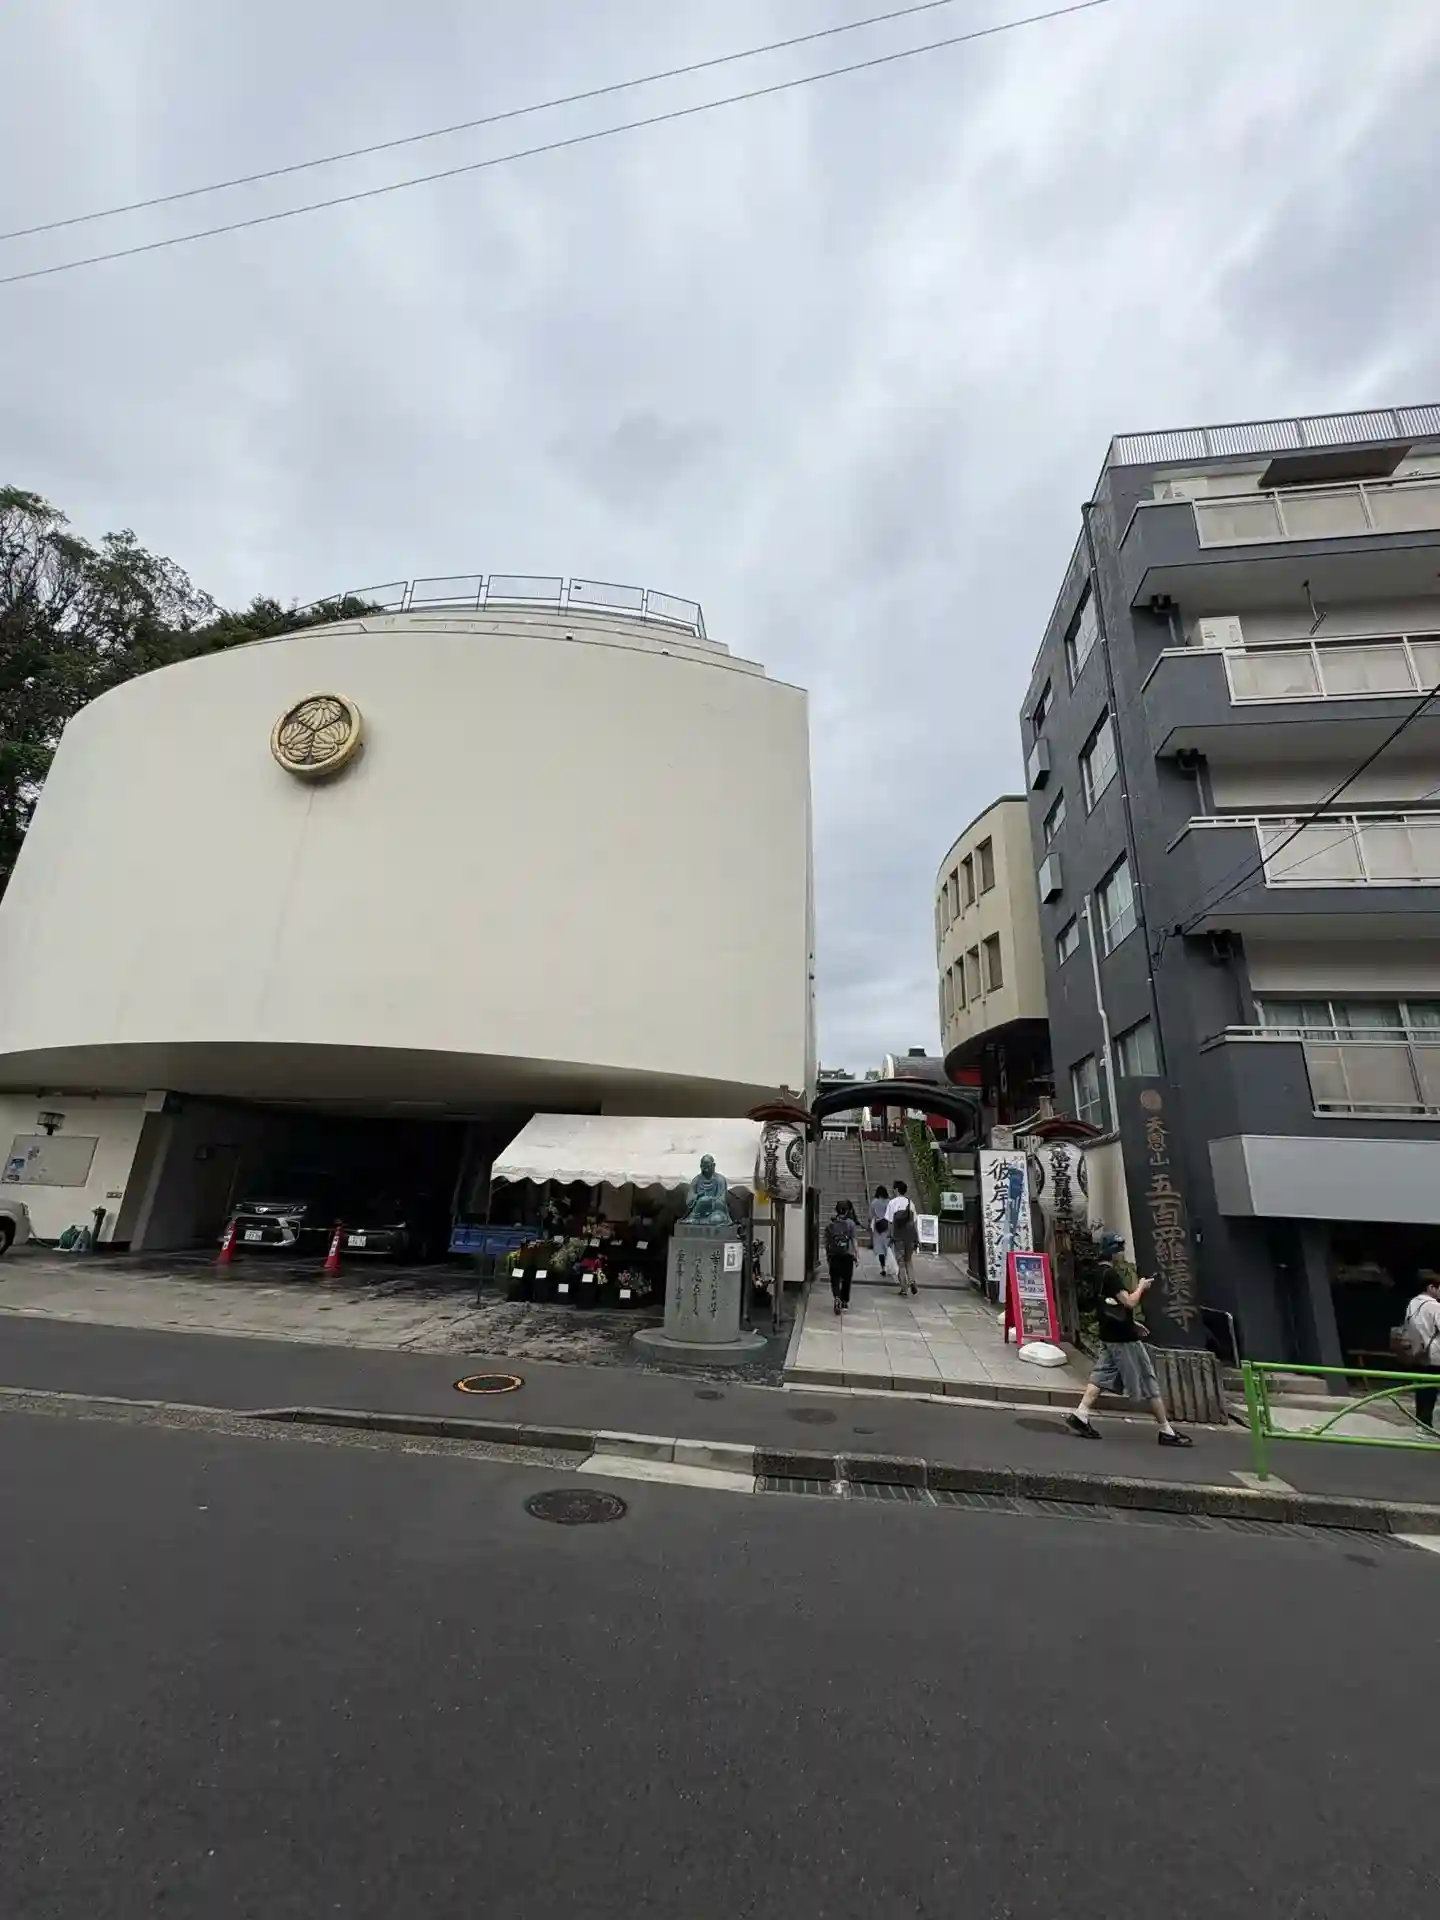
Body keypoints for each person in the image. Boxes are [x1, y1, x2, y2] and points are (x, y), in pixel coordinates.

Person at [1065, 1231, 1193, 1447]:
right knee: (1147, 1379)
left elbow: (1109, 1305)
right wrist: (1141, 1286)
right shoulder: (1111, 1275)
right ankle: (1166, 1430)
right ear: (1114, 1252)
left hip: (1109, 1333)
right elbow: (1129, 1302)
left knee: (1101, 1375)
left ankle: (1081, 1415)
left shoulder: (1097, 1272)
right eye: (1120, 1251)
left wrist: (1131, 1323)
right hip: (1123, 1338)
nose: (1122, 1255)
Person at [1398, 1270, 1440, 1430]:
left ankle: (1421, 1424)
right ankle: (1426, 1425)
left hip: (1417, 1351)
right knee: (1430, 1391)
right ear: (1431, 1287)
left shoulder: (1413, 1303)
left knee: (1422, 1390)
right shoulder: (1434, 1306)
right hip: (1434, 1354)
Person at [823, 1199, 859, 1314]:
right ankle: (844, 1301)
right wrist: (857, 1255)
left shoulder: (831, 1225)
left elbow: (826, 1242)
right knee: (846, 1279)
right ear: (847, 1211)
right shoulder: (851, 1224)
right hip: (847, 1255)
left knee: (835, 1279)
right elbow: (854, 1240)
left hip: (834, 1255)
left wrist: (828, 1255)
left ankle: (837, 1297)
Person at [887, 1180, 920, 1297]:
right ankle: (912, 1281)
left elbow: (890, 1222)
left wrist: (890, 1236)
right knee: (908, 1260)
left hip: (898, 1236)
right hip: (910, 1236)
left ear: (896, 1190)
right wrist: (917, 1238)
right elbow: (914, 1222)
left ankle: (904, 1289)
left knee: (901, 1263)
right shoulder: (911, 1203)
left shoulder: (892, 1203)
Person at [869, 1186, 892, 1279]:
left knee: (880, 1249)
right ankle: (889, 1265)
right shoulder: (889, 1202)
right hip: (887, 1226)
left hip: (878, 1227)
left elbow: (870, 1215)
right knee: (888, 1248)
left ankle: (883, 1268)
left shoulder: (874, 1202)